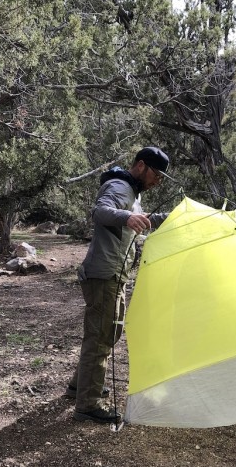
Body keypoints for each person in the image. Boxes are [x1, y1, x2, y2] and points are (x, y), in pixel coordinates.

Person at [67, 147, 170, 424]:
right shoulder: (119, 187)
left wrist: (175, 217)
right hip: (104, 274)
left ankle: (79, 387)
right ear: (141, 165)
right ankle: (88, 405)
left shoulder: (132, 194)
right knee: (101, 337)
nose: (157, 181)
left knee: (104, 334)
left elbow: (142, 220)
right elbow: (100, 211)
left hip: (113, 274)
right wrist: (126, 217)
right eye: (157, 175)